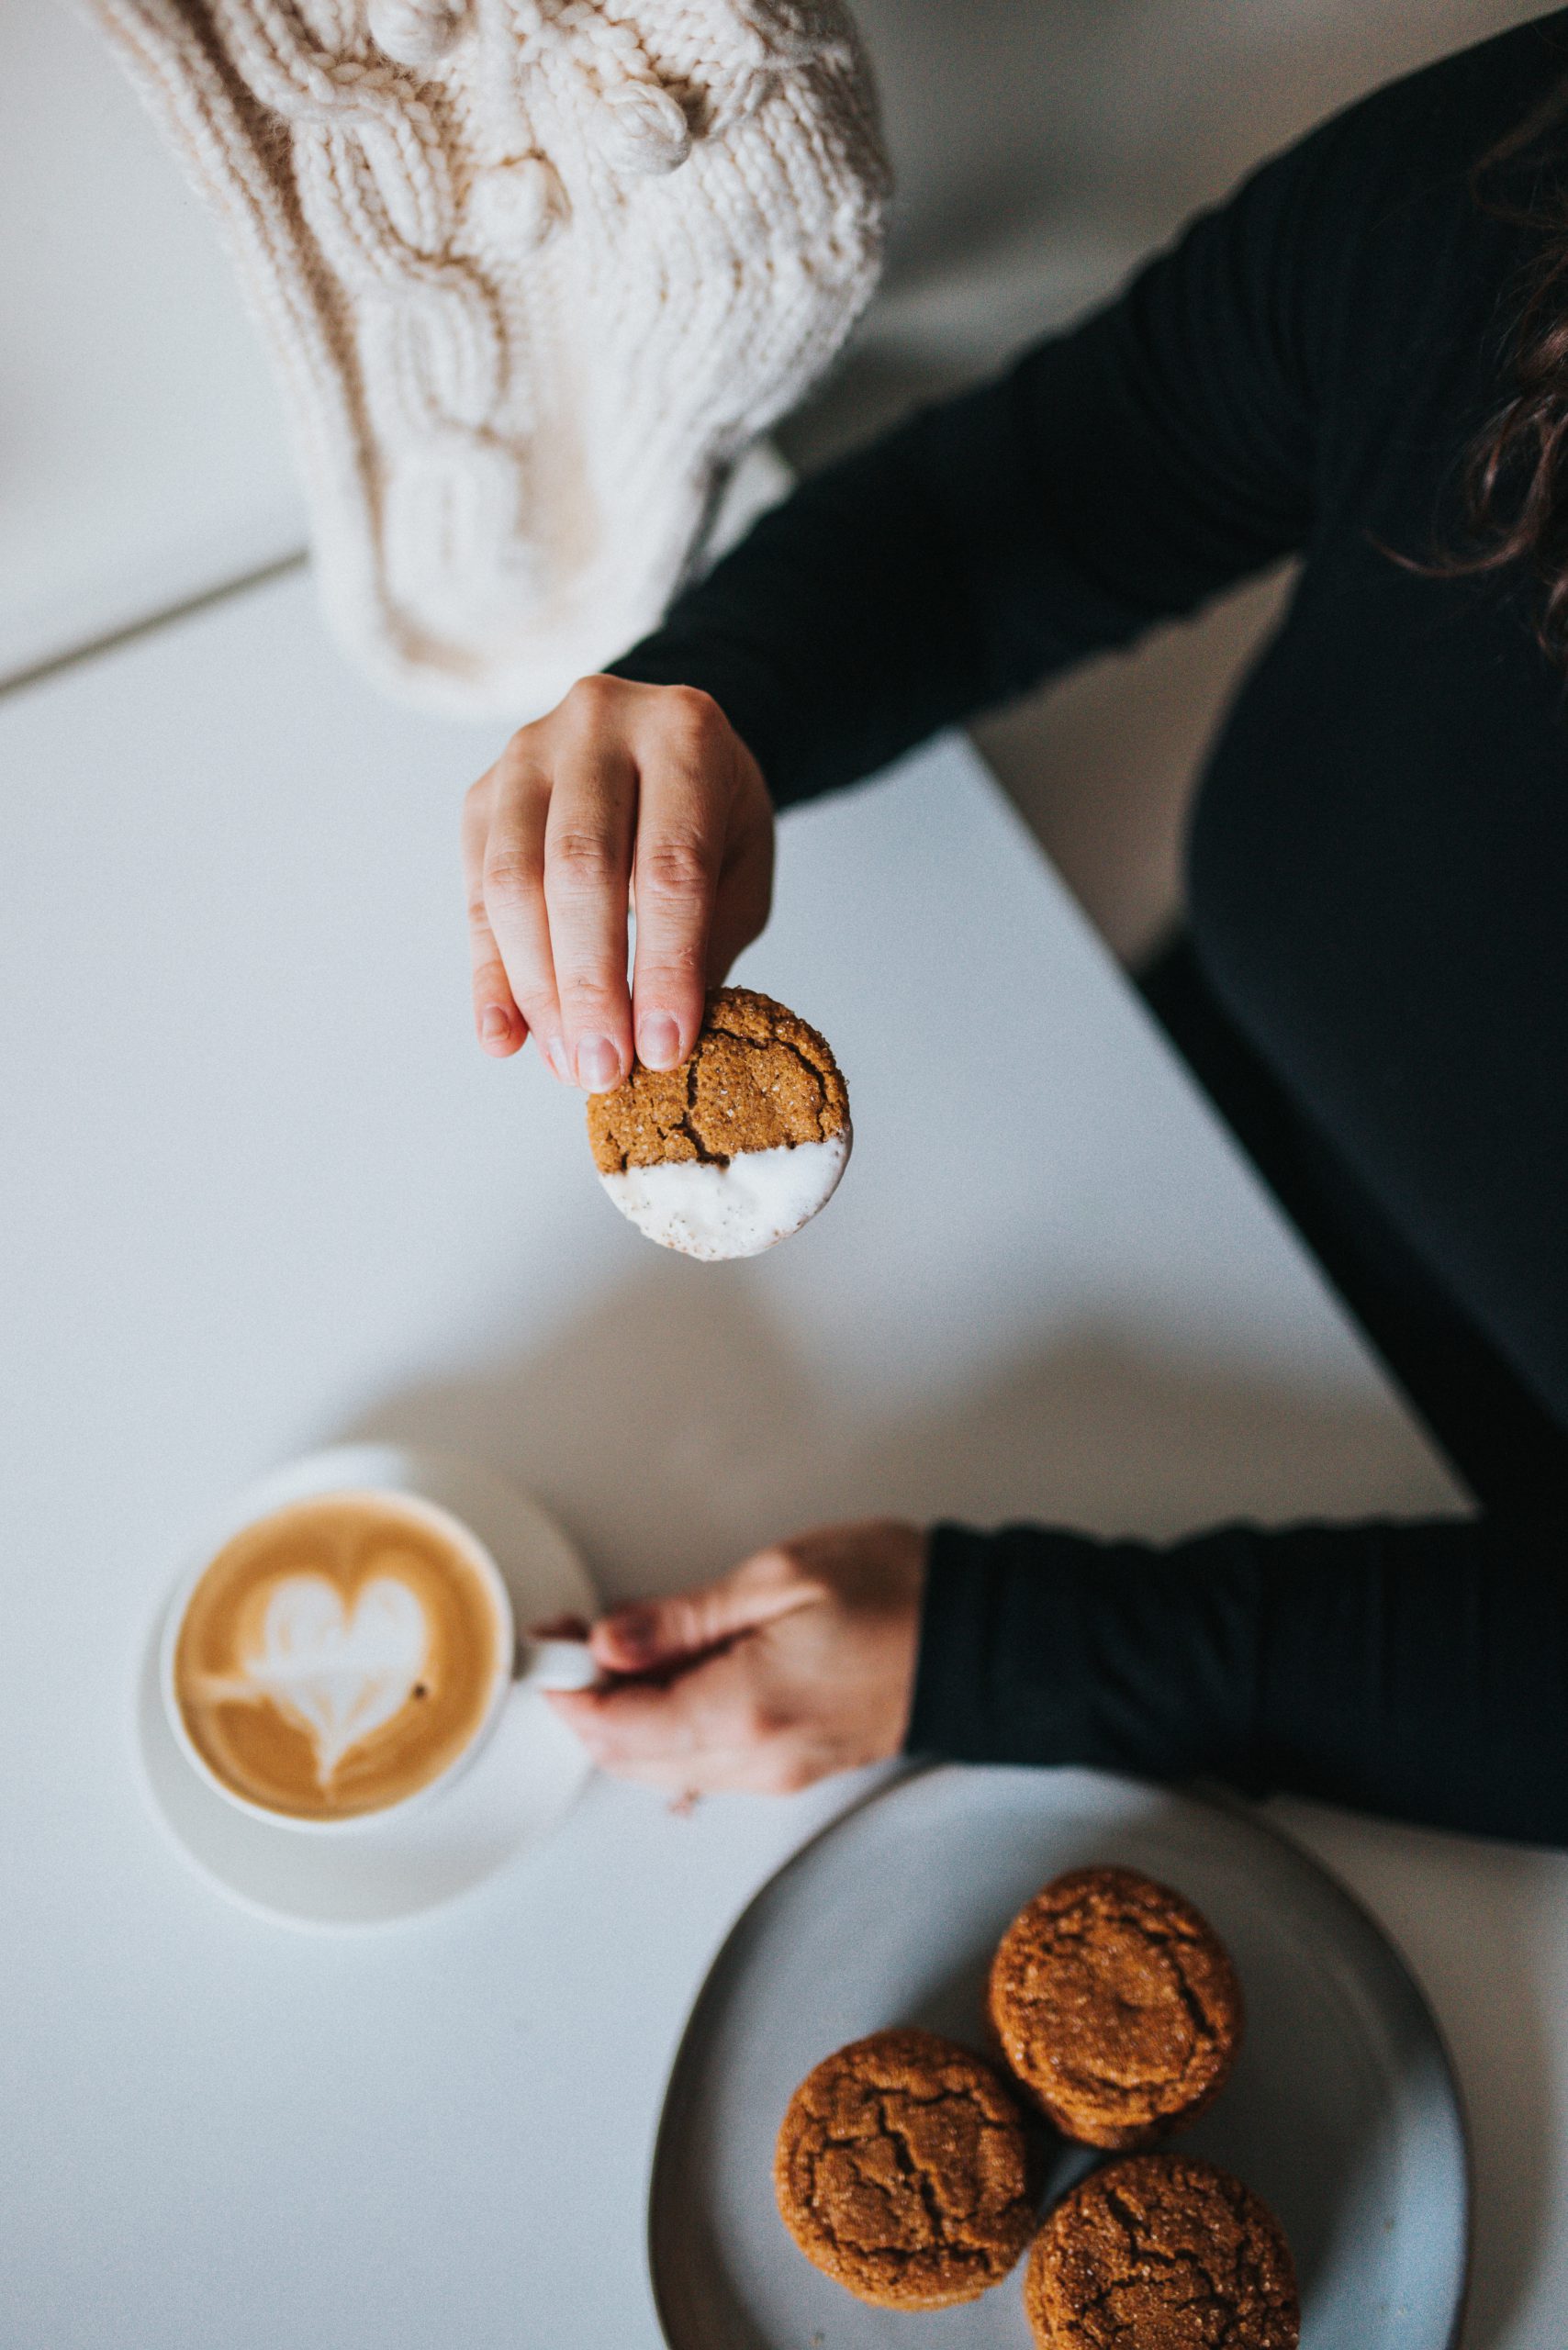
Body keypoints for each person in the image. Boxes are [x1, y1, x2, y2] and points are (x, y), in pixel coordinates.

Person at [461, 15, 1568, 1842]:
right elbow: (1059, 492)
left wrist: (988, 1649)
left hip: (1424, 1623)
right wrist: (713, 703)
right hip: (1146, 1163)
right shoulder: (1515, 201)